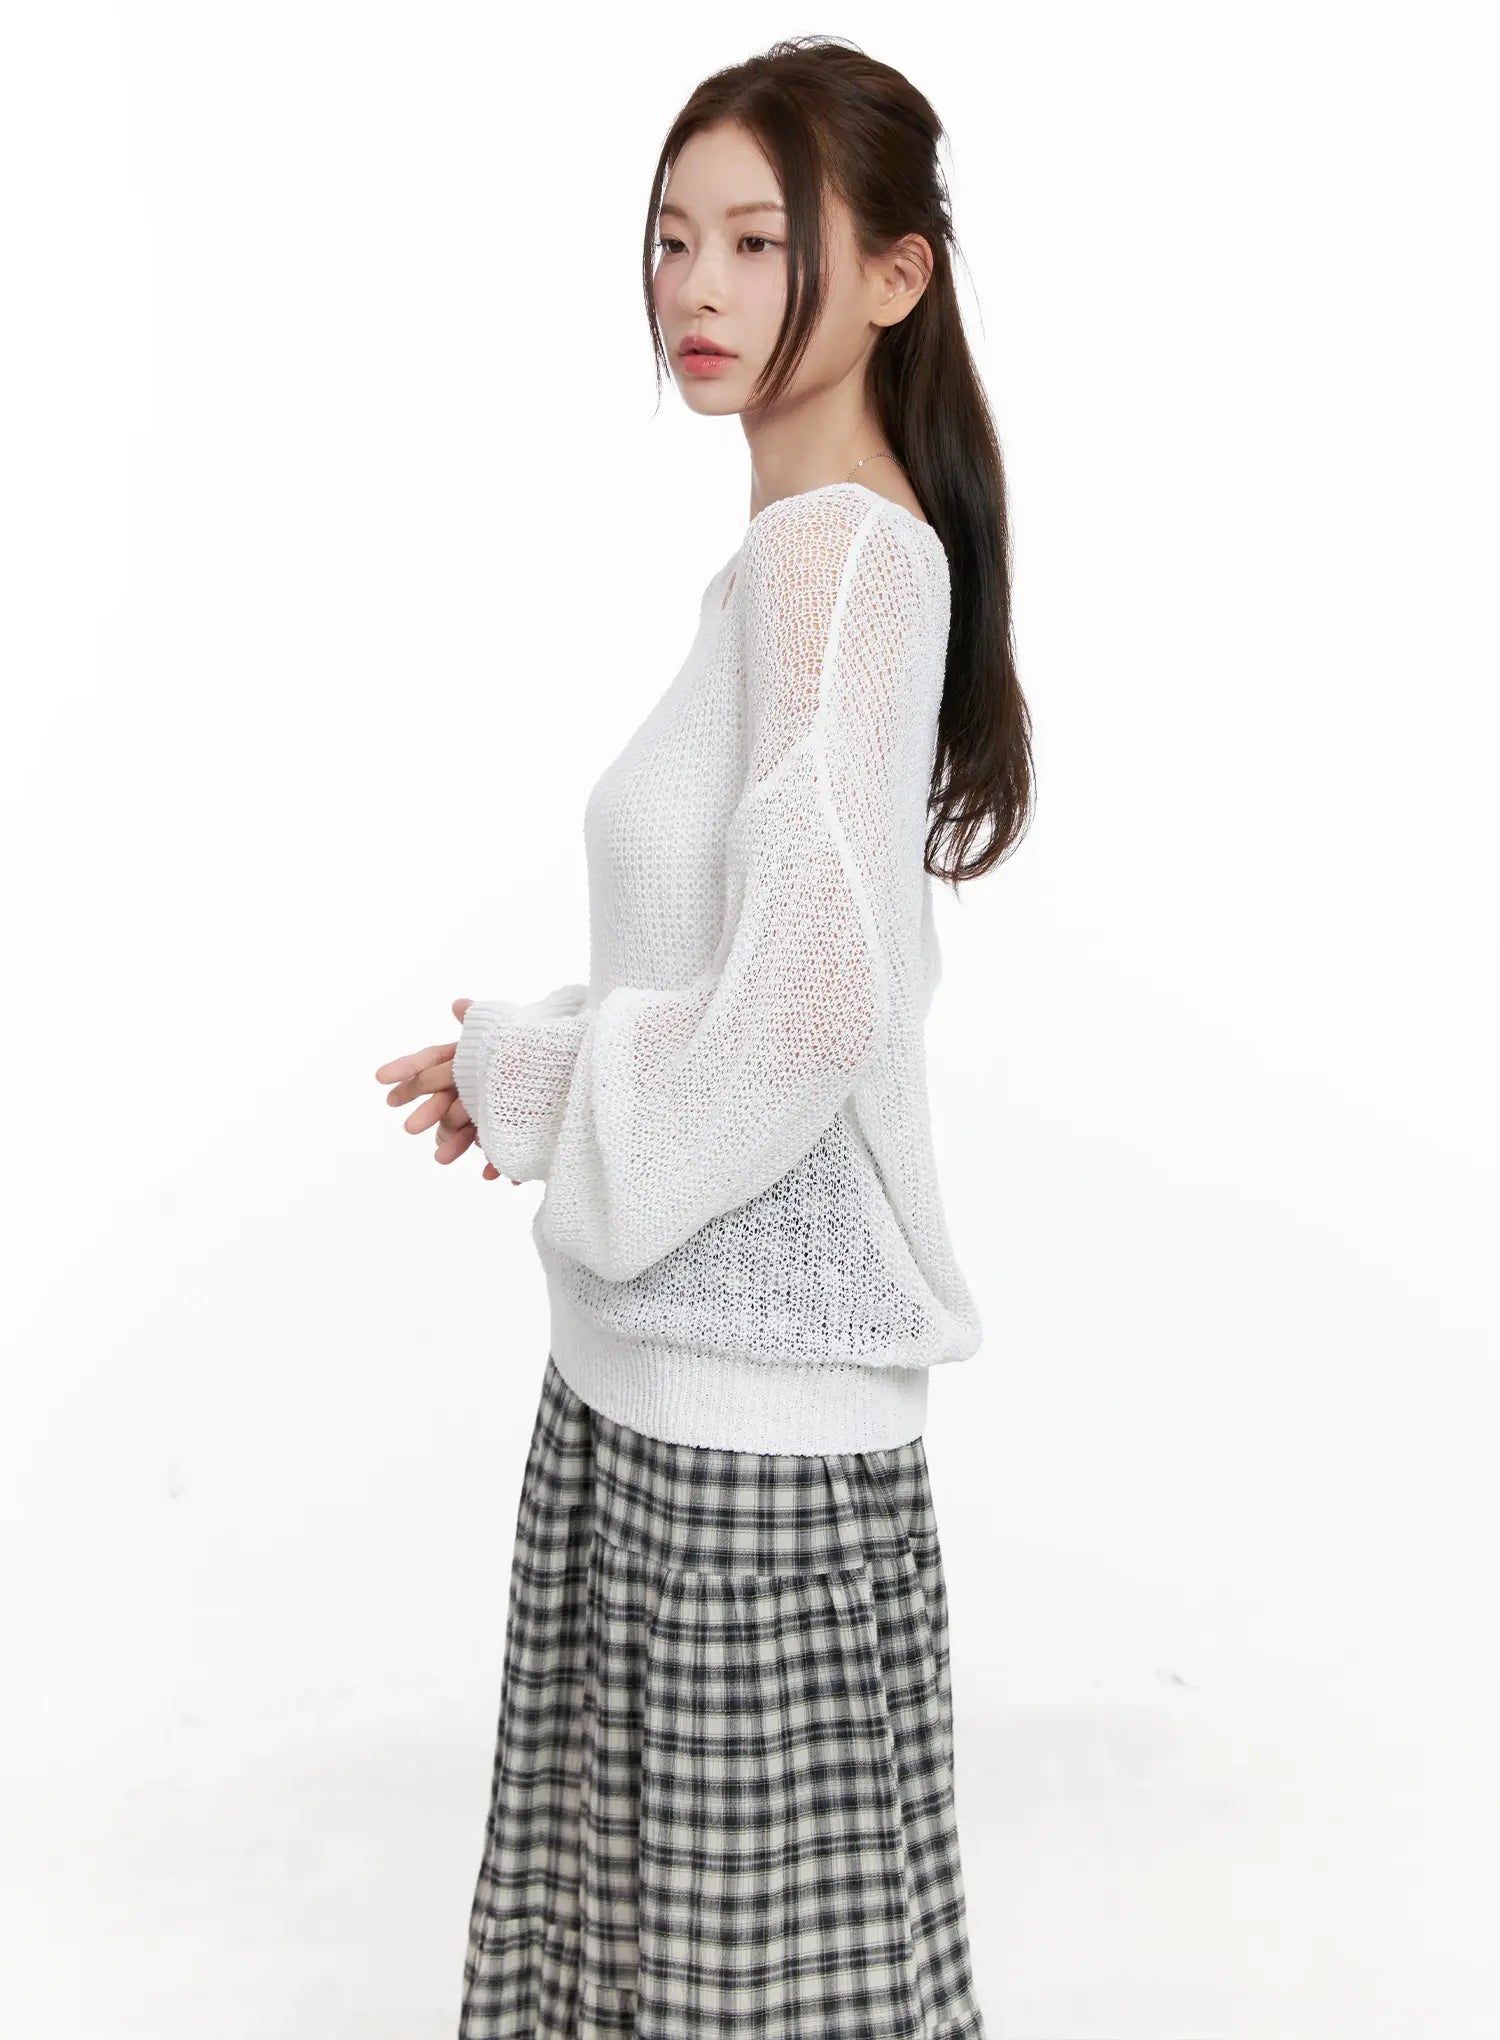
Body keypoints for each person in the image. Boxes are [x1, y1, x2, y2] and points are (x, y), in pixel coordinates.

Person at [375, 34, 1032, 2038]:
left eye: (762, 239)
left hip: (749, 1465)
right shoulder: (789, 560)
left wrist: (543, 1077)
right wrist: (534, 1053)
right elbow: (755, 955)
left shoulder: (845, 555)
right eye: (675, 237)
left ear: (897, 277)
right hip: (655, 1413)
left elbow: (813, 1005)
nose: (700, 287)